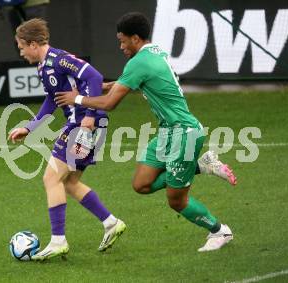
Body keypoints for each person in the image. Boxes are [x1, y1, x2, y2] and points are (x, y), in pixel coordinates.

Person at [55, 12, 235, 252]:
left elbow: (109, 104)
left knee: (176, 200)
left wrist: (76, 98)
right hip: (167, 132)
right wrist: (108, 85)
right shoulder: (153, 52)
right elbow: (128, 82)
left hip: (185, 134)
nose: (120, 46)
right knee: (141, 184)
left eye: (123, 41)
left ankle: (219, 231)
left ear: (136, 38)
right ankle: (202, 165)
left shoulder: (138, 62)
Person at [8, 18, 126, 261]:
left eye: (21, 47)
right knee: (69, 182)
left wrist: (90, 117)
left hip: (82, 124)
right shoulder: (43, 67)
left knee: (51, 177)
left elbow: (94, 77)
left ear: (32, 44)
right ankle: (111, 223)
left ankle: (58, 241)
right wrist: (30, 128)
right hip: (86, 125)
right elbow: (53, 100)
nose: (20, 53)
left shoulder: (58, 59)